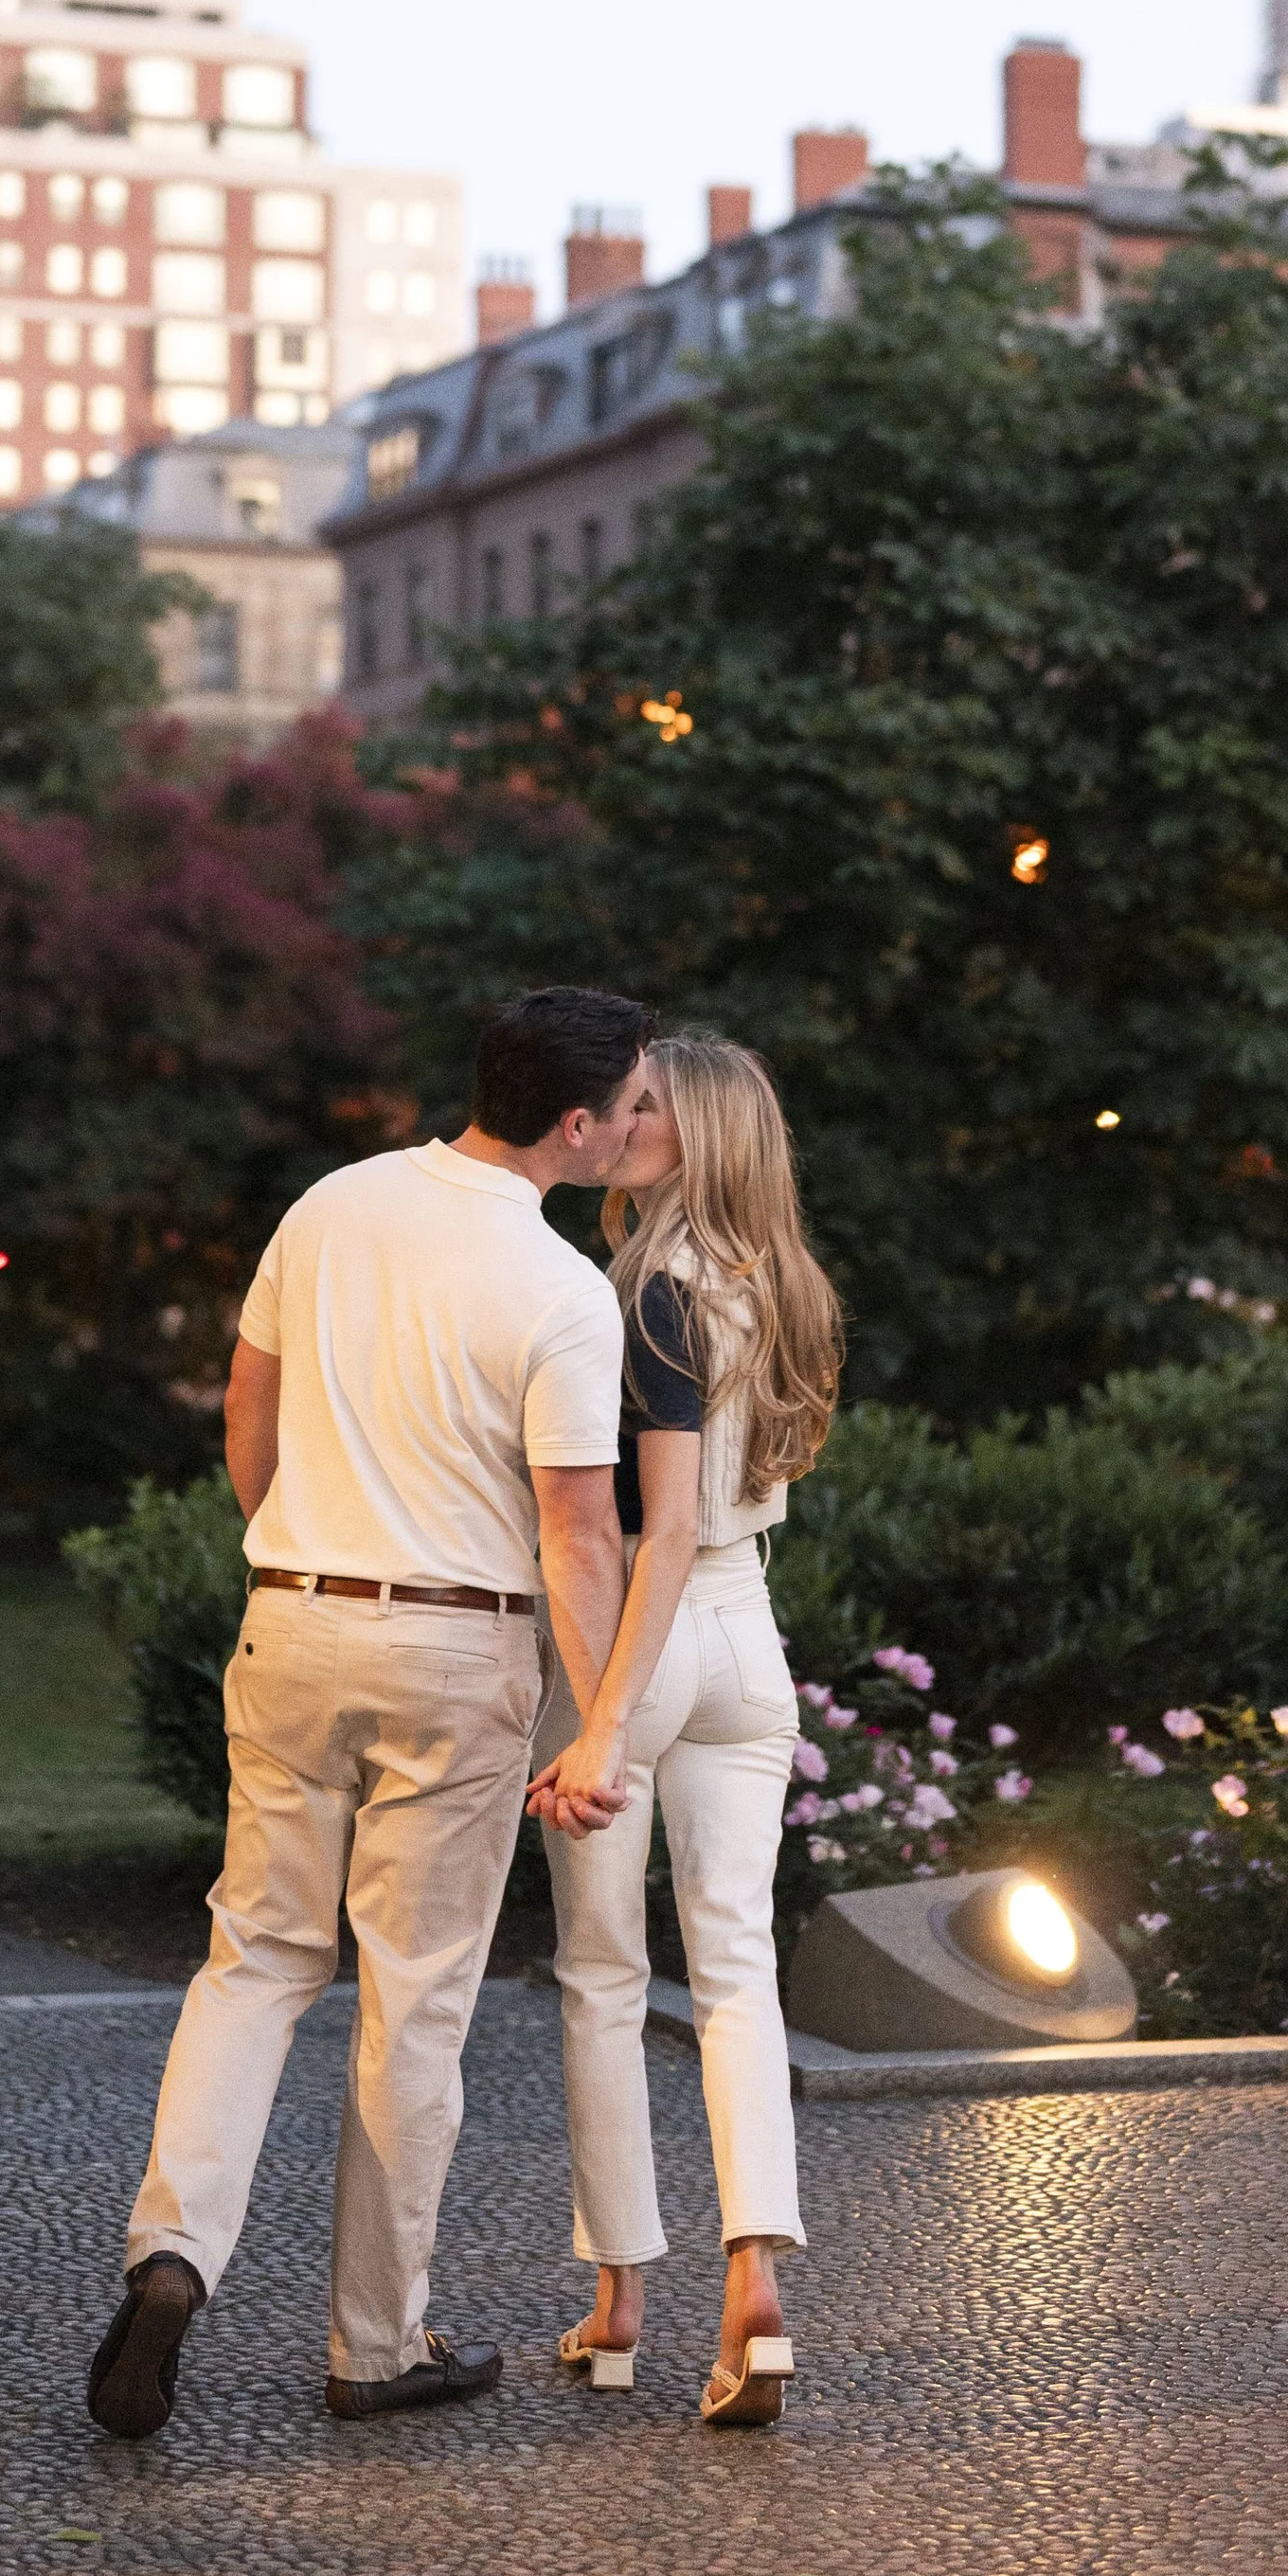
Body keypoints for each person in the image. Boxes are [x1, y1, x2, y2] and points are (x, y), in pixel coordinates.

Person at [86, 985, 653, 2436]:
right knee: (414, 1998)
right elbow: (580, 1534)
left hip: (291, 1615)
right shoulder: (560, 1292)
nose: (643, 1121)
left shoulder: (329, 1206)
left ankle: (172, 2254)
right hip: (459, 1653)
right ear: (575, 1124)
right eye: (634, 1102)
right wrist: (601, 1726)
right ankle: (373, 2342)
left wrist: (303, 1558)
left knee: (254, 1958)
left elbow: (244, 1414)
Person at [527, 1034, 843, 2427]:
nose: (622, 1119)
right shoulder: (783, 1285)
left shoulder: (649, 1291)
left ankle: (619, 2305)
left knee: (602, 1975)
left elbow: (649, 1534)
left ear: (702, 1133)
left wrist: (601, 1719)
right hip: (751, 1643)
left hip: (644, 1636)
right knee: (736, 1968)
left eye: (649, 1104)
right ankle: (757, 2287)